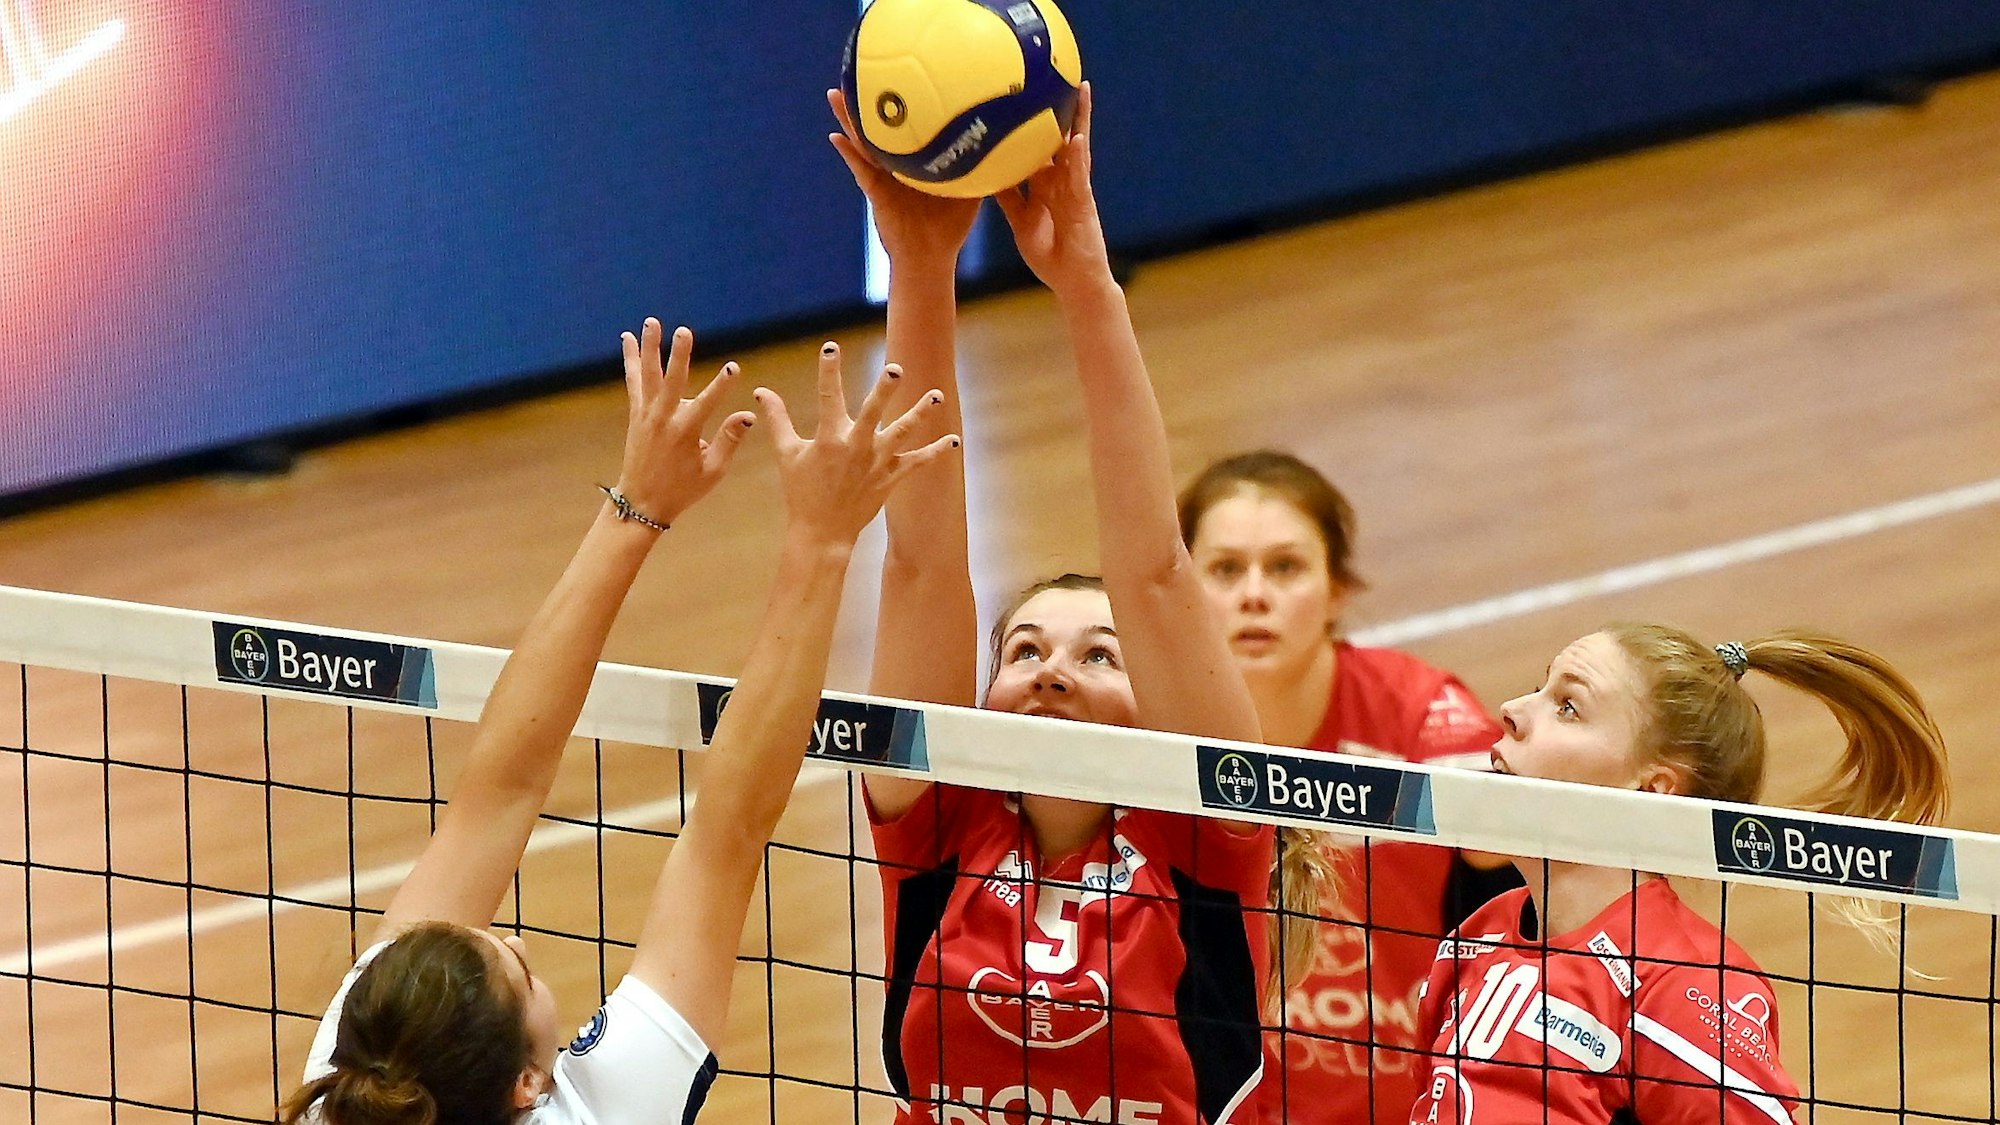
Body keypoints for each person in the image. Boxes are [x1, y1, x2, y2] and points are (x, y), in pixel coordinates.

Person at [278, 319, 958, 1125]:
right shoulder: (598, 1108)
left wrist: (643, 510)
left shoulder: (359, 1080)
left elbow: (507, 789)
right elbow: (719, 831)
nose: (518, 942)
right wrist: (822, 537)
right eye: (520, 972)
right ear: (526, 1084)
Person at [830, 84, 1281, 1125]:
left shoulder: (1204, 847)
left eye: (1099, 654)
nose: (1050, 671)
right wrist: (921, 267)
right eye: (1025, 649)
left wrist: (1085, 283)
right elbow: (921, 565)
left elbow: (1155, 572)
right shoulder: (941, 830)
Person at [1407, 626, 1951, 1124]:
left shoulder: (1682, 987)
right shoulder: (1475, 938)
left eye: (1568, 706)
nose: (1511, 710)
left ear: (1651, 788)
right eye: (1539, 688)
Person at [1178, 451, 1520, 1124]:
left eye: (1285, 567)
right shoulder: (1147, 721)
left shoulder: (1418, 711)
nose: (1254, 594)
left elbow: (1514, 858)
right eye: (1225, 569)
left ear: (1336, 589)